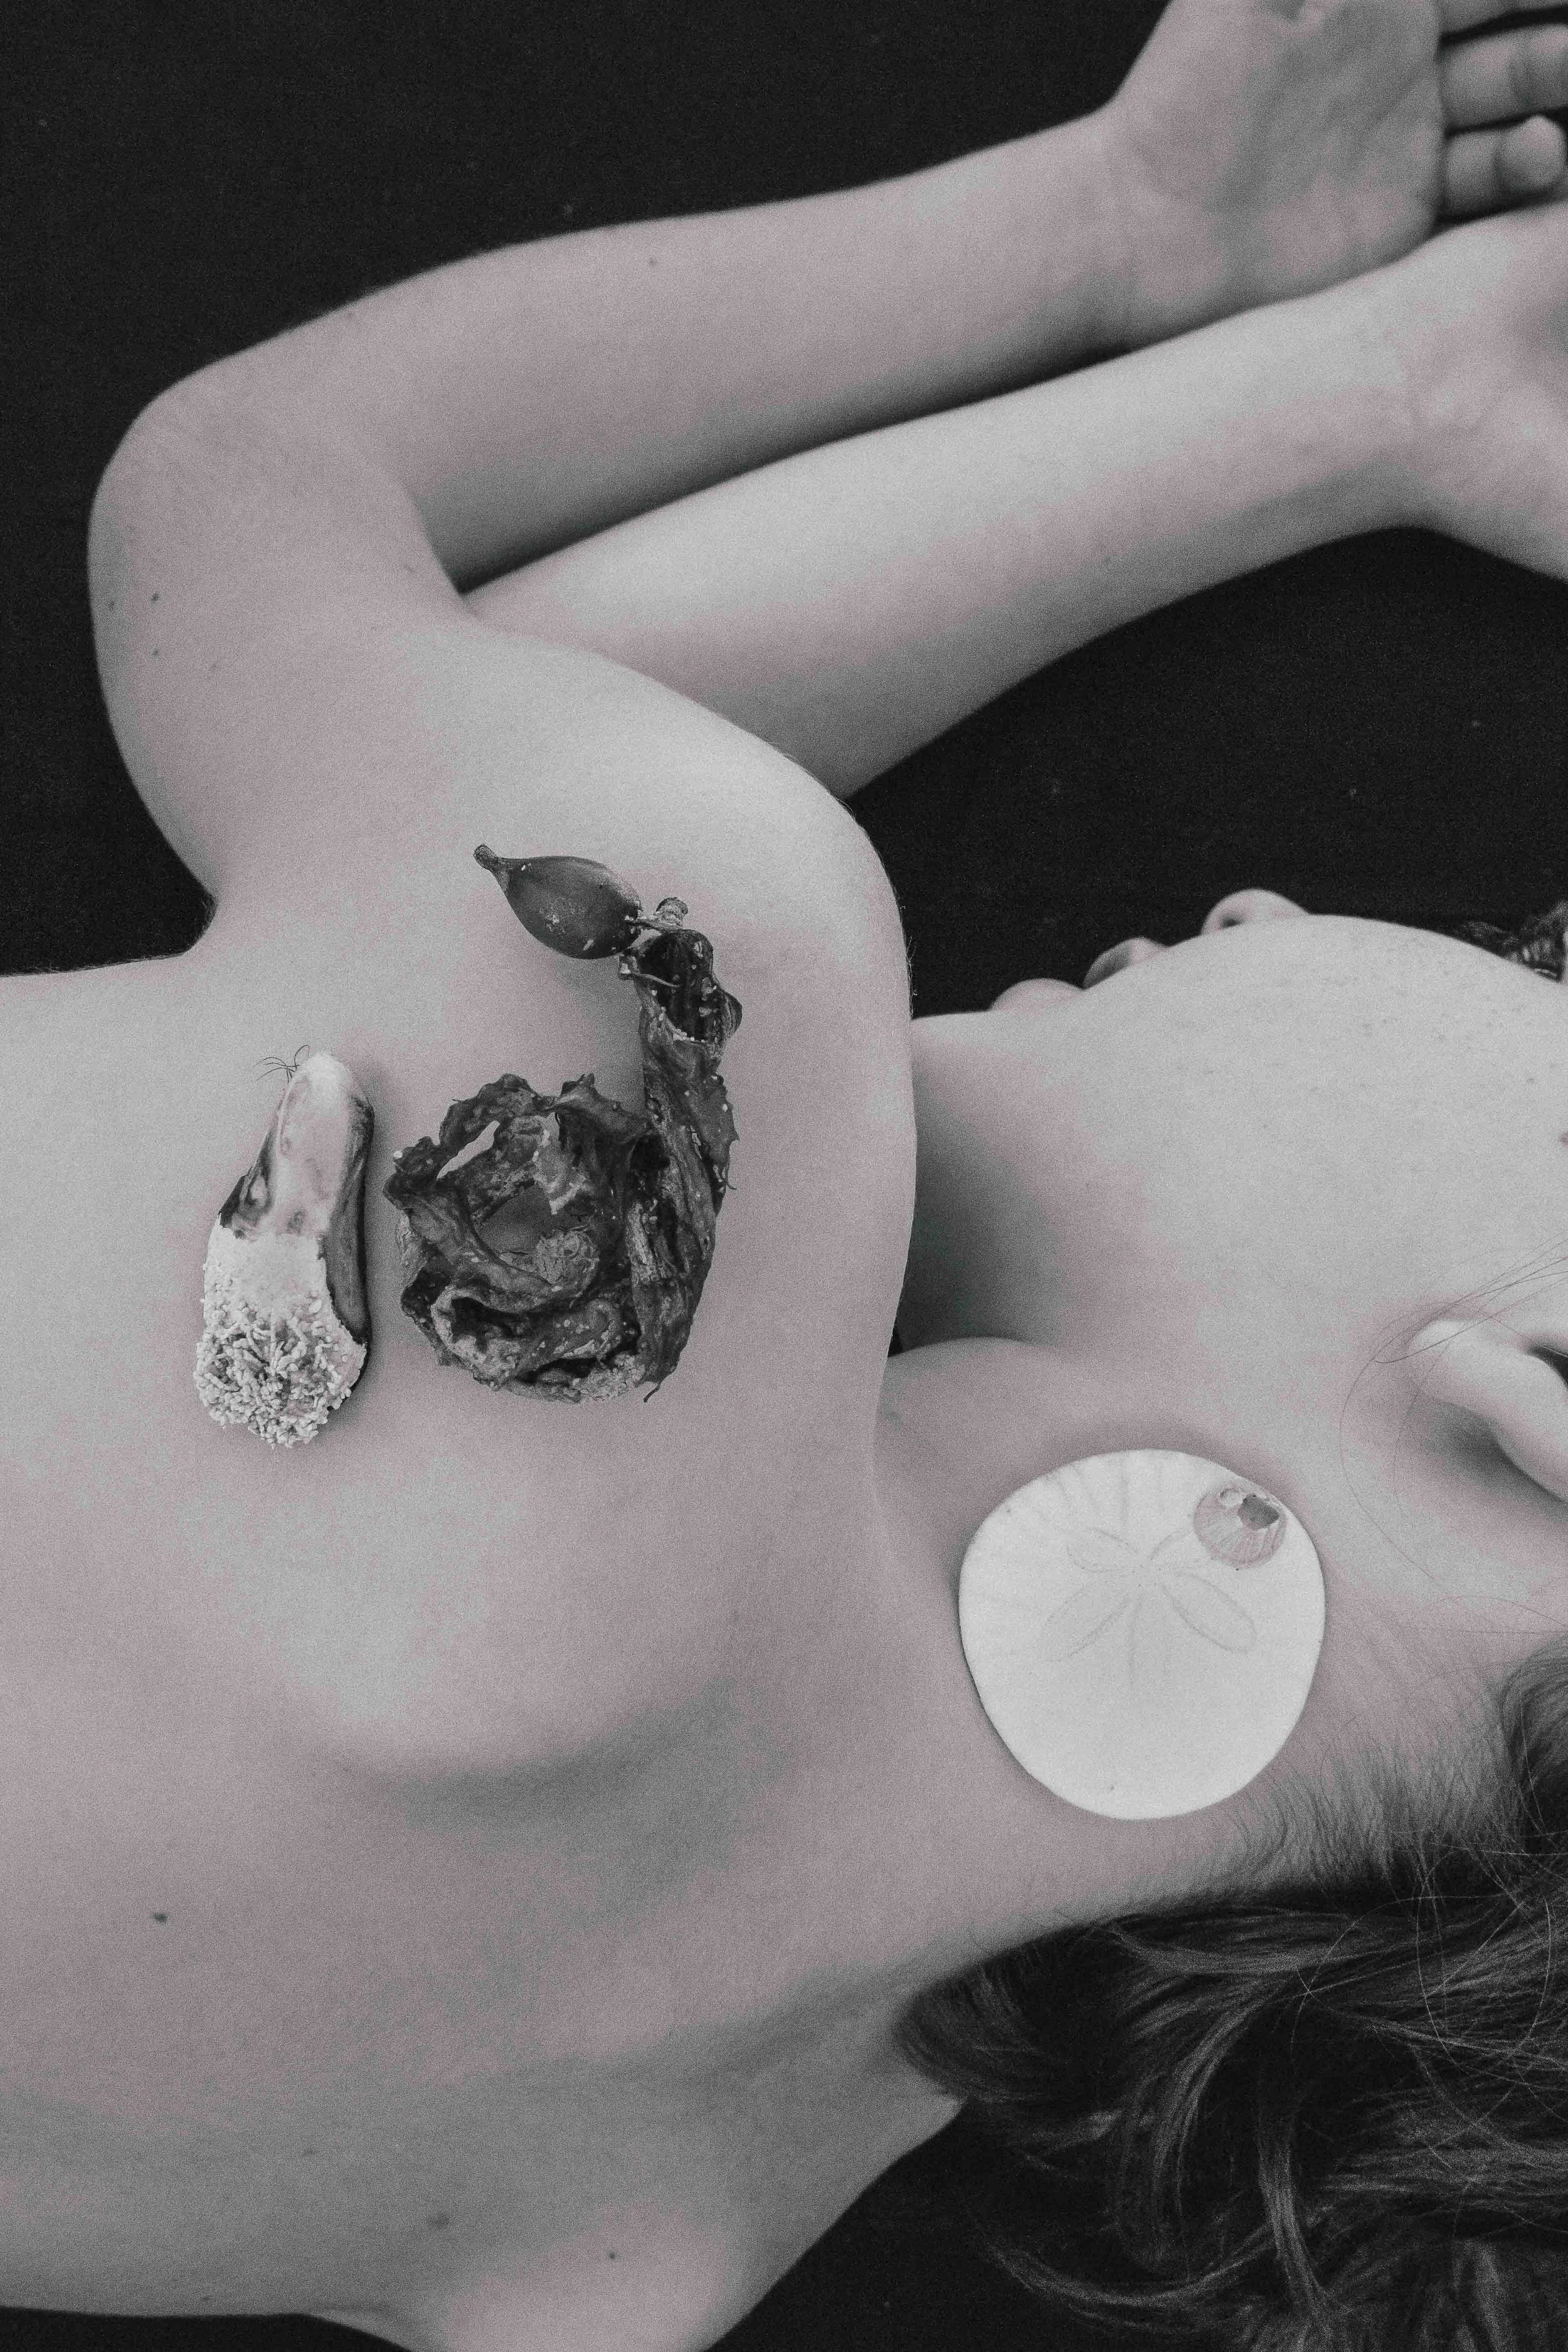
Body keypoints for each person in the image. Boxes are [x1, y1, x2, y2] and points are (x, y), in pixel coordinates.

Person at [18, 1, 1568, 2345]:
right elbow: (472, 791)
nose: (1265, 907)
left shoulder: (709, 993)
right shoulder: (657, 2242)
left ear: (1540, 1398)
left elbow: (240, 501)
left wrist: (1109, 234)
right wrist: (1392, 385)